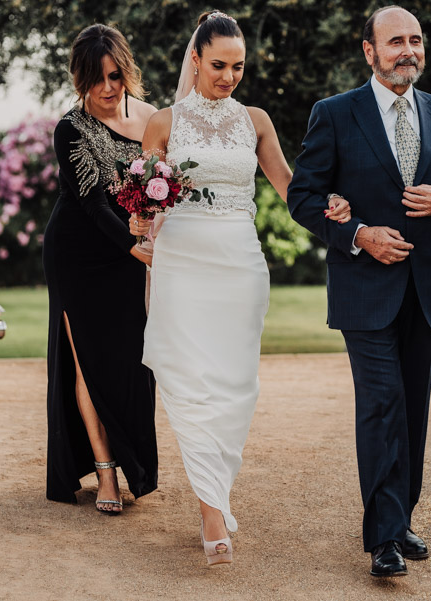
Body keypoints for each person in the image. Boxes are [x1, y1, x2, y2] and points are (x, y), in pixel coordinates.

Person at [137, 10, 350, 566]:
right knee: (189, 380)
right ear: (196, 60)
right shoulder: (162, 123)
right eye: (219, 65)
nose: (229, 76)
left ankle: (216, 488)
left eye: (238, 66)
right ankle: (212, 509)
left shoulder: (255, 120)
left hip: (239, 263)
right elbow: (142, 199)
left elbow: (288, 186)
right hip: (181, 262)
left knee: (236, 384)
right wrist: (139, 222)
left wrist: (333, 210)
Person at [287, 5, 431, 578]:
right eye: (395, 41)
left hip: (429, 292)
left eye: (416, 41)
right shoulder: (335, 114)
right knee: (381, 406)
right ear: (369, 51)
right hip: (363, 291)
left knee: (414, 412)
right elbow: (304, 196)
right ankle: (383, 540)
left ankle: (400, 520)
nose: (408, 50)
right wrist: (357, 234)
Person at [43, 24, 159, 513]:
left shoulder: (153, 120)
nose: (108, 88)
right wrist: (136, 247)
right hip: (79, 256)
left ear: (126, 70)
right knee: (87, 362)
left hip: (129, 255)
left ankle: (133, 462)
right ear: (79, 80)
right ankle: (106, 473)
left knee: (131, 365)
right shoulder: (70, 128)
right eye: (96, 79)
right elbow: (92, 206)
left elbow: (165, 186)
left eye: (115, 76)